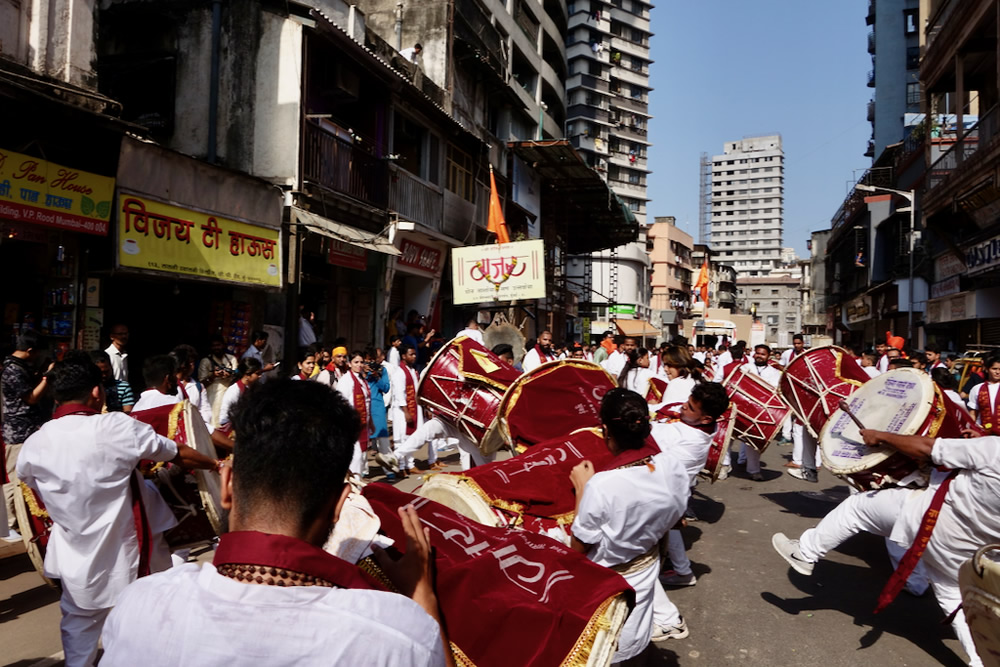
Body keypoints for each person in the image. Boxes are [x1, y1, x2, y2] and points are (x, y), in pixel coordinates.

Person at [100, 379, 451, 666]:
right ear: (341, 506)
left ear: (227, 485)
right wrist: (423, 597)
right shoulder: (399, 635)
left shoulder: (139, 606)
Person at [17, 354, 217, 667]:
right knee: (142, 624)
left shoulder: (34, 444)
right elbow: (178, 453)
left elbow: (31, 486)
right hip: (130, 551)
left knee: (78, 629)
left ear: (56, 396)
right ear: (97, 392)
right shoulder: (115, 426)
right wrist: (217, 464)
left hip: (74, 557)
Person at [772, 428, 1000, 667]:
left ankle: (806, 552)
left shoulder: (993, 449)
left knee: (856, 508)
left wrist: (882, 436)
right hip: (976, 547)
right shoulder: (991, 448)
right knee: (954, 595)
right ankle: (980, 661)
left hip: (933, 518)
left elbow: (926, 448)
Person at [569, 388, 691, 658]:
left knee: (606, 645)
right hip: (647, 564)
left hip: (610, 579)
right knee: (635, 631)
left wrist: (581, 489)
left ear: (605, 430)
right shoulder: (672, 464)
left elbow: (578, 547)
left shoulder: (602, 485)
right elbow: (678, 520)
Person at [651, 383, 730, 589]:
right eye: (687, 401)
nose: (683, 407)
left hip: (665, 488)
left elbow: (652, 444)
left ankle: (677, 572)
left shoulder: (690, 438)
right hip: (670, 487)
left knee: (660, 525)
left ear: (706, 419)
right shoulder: (694, 421)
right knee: (669, 526)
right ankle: (682, 570)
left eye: (691, 407)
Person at [2, 330, 48, 539]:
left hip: (27, 429)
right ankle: (7, 525)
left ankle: (18, 521)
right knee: (12, 478)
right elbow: (30, 398)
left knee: (23, 475)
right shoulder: (12, 369)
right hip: (16, 432)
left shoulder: (19, 367)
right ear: (30, 351)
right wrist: (47, 378)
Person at [737, 345, 782, 482]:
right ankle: (733, 463)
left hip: (760, 412)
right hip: (742, 407)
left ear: (769, 356)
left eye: (763, 354)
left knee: (753, 440)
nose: (759, 356)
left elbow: (774, 392)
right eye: (757, 353)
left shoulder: (775, 373)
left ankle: (753, 470)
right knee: (738, 436)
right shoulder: (745, 368)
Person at [392, 345, 437, 475]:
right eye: (411, 354)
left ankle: (409, 464)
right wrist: (406, 412)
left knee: (409, 438)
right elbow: (400, 394)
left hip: (413, 408)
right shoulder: (399, 372)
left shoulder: (413, 370)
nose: (414, 357)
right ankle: (400, 467)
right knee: (401, 438)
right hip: (402, 411)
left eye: (414, 354)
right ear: (403, 356)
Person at [213, 358, 264, 451]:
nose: (260, 376)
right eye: (258, 373)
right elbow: (224, 418)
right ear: (248, 374)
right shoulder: (234, 391)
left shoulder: (258, 388)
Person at [337, 351, 374, 477]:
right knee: (356, 455)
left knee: (361, 455)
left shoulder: (362, 380)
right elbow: (341, 403)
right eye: (356, 362)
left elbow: (367, 402)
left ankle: (357, 481)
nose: (359, 365)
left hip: (363, 422)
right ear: (349, 364)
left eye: (361, 362)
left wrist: (371, 422)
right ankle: (354, 483)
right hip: (351, 423)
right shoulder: (346, 381)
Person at [365, 348, 397, 479]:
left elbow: (386, 388)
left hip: (377, 406)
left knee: (383, 439)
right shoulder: (359, 370)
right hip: (363, 405)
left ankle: (389, 469)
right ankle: (362, 470)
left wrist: (377, 376)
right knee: (362, 441)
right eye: (368, 360)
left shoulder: (382, 370)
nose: (371, 362)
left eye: (374, 359)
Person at [198, 335, 238, 428]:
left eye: (218, 345)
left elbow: (237, 377)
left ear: (224, 345)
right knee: (213, 423)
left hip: (228, 394)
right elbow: (201, 384)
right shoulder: (206, 361)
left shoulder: (232, 359)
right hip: (212, 396)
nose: (216, 348)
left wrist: (230, 375)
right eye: (214, 346)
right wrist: (213, 376)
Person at [171, 345, 212, 428]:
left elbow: (205, 410)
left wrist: (199, 424)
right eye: (190, 362)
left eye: (193, 362)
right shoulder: (170, 385)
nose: (192, 365)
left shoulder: (198, 387)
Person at [90, 350, 135, 414]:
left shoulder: (124, 387)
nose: (104, 375)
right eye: (100, 373)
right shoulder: (87, 390)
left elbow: (128, 413)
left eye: (106, 371)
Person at [967, 355, 1000, 436]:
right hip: (983, 433)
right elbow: (973, 413)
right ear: (987, 369)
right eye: (994, 369)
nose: (998, 372)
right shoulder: (977, 389)